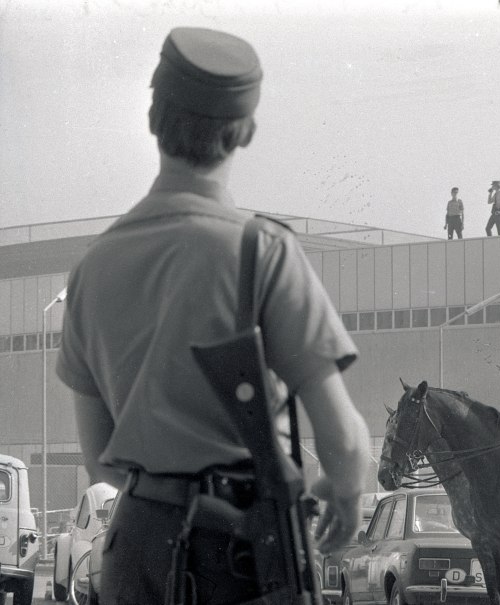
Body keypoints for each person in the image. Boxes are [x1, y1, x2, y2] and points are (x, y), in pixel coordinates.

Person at [55, 27, 371, 604]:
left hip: (136, 549)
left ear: (153, 118)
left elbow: (100, 456)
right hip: (241, 553)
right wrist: (341, 495)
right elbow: (348, 447)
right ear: (244, 130)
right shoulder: (261, 251)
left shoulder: (91, 268)